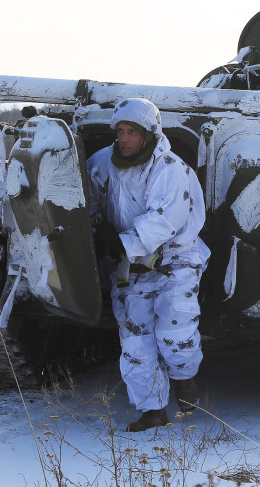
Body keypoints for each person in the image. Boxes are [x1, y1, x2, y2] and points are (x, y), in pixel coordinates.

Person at [86, 98, 210, 432]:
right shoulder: (101, 164)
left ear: (149, 133)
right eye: (120, 131)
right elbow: (88, 201)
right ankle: (152, 411)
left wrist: (119, 241)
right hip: (130, 268)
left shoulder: (169, 169)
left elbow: (164, 220)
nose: (123, 138)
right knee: (136, 342)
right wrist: (96, 227)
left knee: (174, 335)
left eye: (131, 132)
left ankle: (184, 378)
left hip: (175, 261)